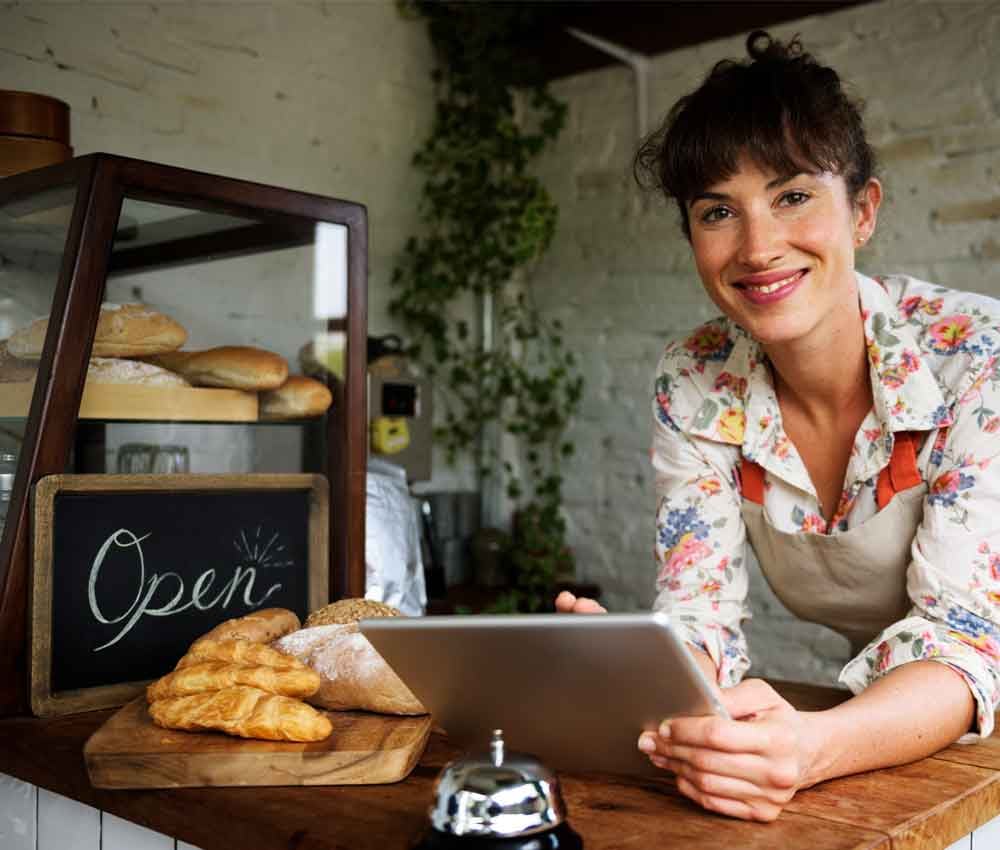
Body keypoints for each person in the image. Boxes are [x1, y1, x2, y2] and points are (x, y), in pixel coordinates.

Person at [556, 30, 1000, 822]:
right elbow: (700, 608)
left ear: (862, 211)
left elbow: (962, 636)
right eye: (718, 211)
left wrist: (813, 746)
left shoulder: (978, 359)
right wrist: (655, 674)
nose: (758, 248)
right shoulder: (693, 378)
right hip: (902, 725)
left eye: (793, 196)